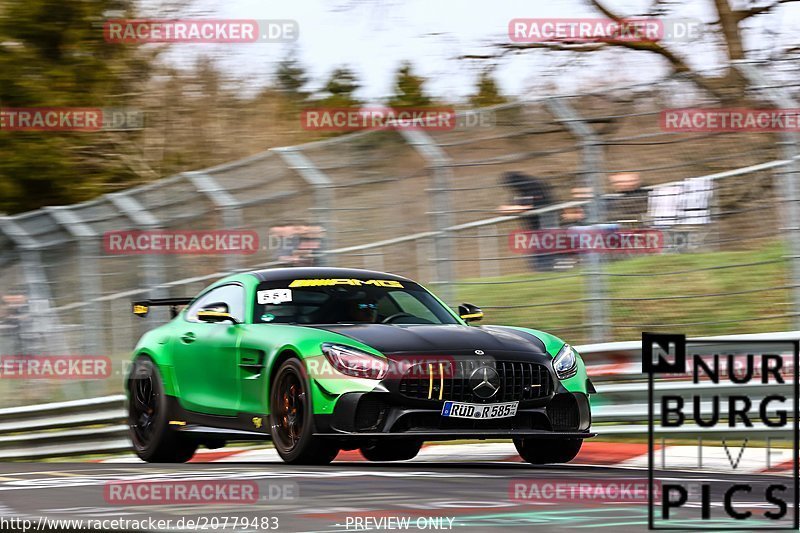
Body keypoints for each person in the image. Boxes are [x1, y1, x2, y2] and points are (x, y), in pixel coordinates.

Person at [498, 171, 558, 271]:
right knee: (538, 257)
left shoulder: (534, 186)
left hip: (544, 226)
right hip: (535, 229)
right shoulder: (523, 190)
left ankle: (549, 271)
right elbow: (518, 204)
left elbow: (528, 206)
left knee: (543, 256)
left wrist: (510, 208)